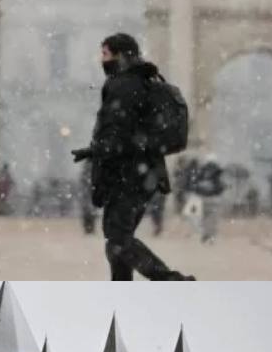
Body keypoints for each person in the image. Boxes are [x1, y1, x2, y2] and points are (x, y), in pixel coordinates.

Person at [72, 33, 193, 281]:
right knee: (117, 240)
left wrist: (98, 150)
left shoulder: (121, 84)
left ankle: (172, 280)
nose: (101, 60)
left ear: (120, 55)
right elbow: (129, 132)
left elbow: (117, 131)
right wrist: (97, 149)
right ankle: (122, 293)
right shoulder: (145, 80)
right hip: (144, 171)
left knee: (118, 239)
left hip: (127, 173)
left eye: (105, 54)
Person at [195, 152, 225, 244]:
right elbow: (221, 186)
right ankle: (211, 235)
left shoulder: (202, 171)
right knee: (213, 219)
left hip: (204, 198)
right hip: (215, 198)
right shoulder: (219, 171)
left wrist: (201, 190)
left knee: (204, 217)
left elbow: (196, 184)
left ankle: (205, 233)